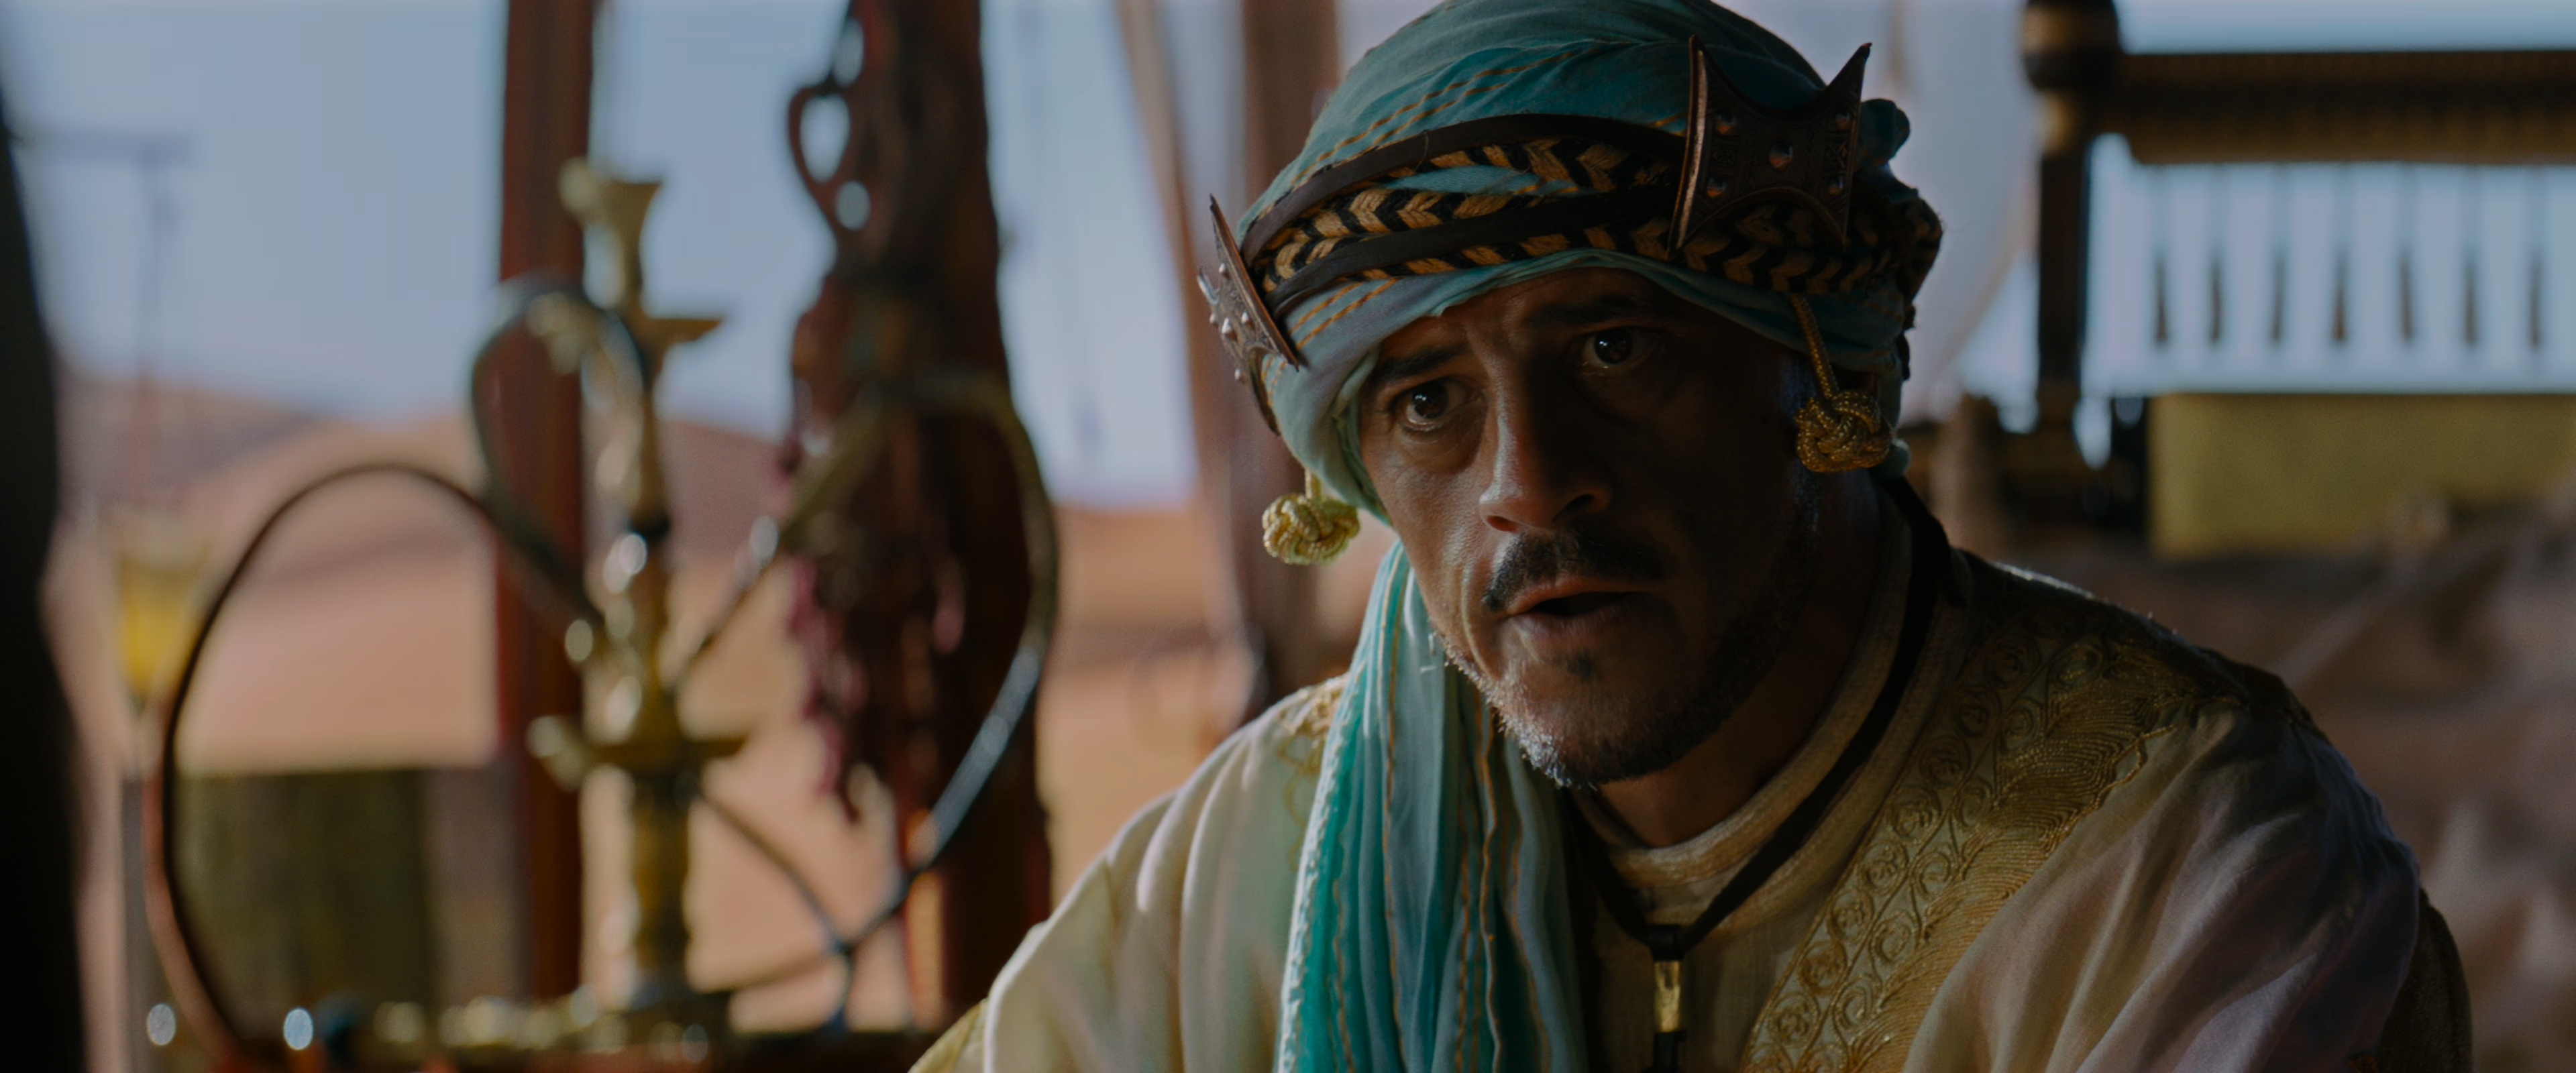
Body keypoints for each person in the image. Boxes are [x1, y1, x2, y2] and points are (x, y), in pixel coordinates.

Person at [914, 1, 2469, 1069]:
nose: (1532, 483)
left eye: (1616, 350)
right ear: (1357, 471)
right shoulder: (1273, 845)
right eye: (1431, 403)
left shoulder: (2181, 866)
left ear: (1818, 379)